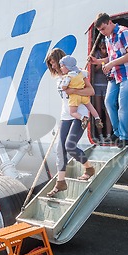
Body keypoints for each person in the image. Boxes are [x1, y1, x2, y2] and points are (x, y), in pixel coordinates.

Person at [45, 48, 96, 196]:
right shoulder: (59, 79)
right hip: (65, 116)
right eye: (51, 64)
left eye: (54, 62)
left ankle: (89, 168)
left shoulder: (78, 74)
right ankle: (60, 183)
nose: (53, 66)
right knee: (60, 149)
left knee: (70, 146)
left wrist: (74, 90)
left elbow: (91, 91)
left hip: (80, 115)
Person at [90, 13, 128, 148]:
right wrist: (98, 61)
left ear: (109, 22)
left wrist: (111, 64)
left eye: (103, 29)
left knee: (123, 104)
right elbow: (112, 58)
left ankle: (124, 136)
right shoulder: (108, 37)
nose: (102, 32)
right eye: (99, 31)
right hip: (115, 75)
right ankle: (117, 132)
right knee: (109, 102)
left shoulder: (124, 32)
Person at [59, 55, 103, 132]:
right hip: (83, 95)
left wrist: (64, 85)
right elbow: (87, 74)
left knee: (72, 112)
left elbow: (64, 87)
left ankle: (83, 118)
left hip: (75, 97)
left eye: (62, 66)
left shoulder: (68, 77)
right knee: (90, 107)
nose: (61, 68)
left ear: (68, 67)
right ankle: (97, 118)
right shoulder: (81, 73)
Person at [92, 40, 113, 143]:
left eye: (104, 48)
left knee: (107, 110)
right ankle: (100, 135)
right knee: (98, 111)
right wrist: (101, 63)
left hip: (107, 84)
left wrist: (103, 61)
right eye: (101, 48)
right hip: (96, 85)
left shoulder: (110, 53)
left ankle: (108, 134)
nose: (103, 50)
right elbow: (94, 70)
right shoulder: (96, 54)